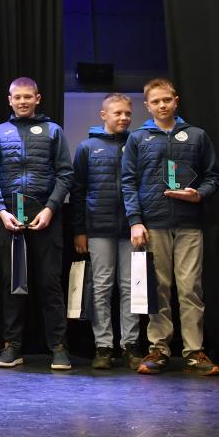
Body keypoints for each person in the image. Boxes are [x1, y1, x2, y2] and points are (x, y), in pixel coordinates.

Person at [122, 78, 219, 376]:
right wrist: (135, 221)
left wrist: (198, 194)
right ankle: (159, 349)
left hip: (189, 224)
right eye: (156, 101)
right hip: (153, 224)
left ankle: (193, 352)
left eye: (166, 100)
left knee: (190, 288)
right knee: (158, 289)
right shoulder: (138, 138)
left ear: (176, 101)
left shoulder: (197, 136)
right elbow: (128, 182)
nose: (162, 105)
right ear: (147, 106)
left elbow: (213, 177)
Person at [0, 77, 73, 370]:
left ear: (37, 98)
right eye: (17, 97)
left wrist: (50, 209)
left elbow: (65, 174)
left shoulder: (53, 131)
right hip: (9, 218)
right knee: (13, 284)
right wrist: (0, 211)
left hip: (44, 217)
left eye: (27, 97)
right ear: (9, 100)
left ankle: (58, 347)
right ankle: (12, 346)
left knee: (49, 283)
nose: (22, 101)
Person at [70, 93, 141, 371]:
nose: (123, 118)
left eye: (127, 113)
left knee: (131, 286)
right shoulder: (87, 147)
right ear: (104, 115)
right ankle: (103, 346)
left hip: (130, 229)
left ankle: (130, 345)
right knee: (101, 287)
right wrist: (79, 230)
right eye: (117, 113)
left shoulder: (136, 144)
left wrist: (139, 222)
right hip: (98, 228)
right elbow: (78, 191)